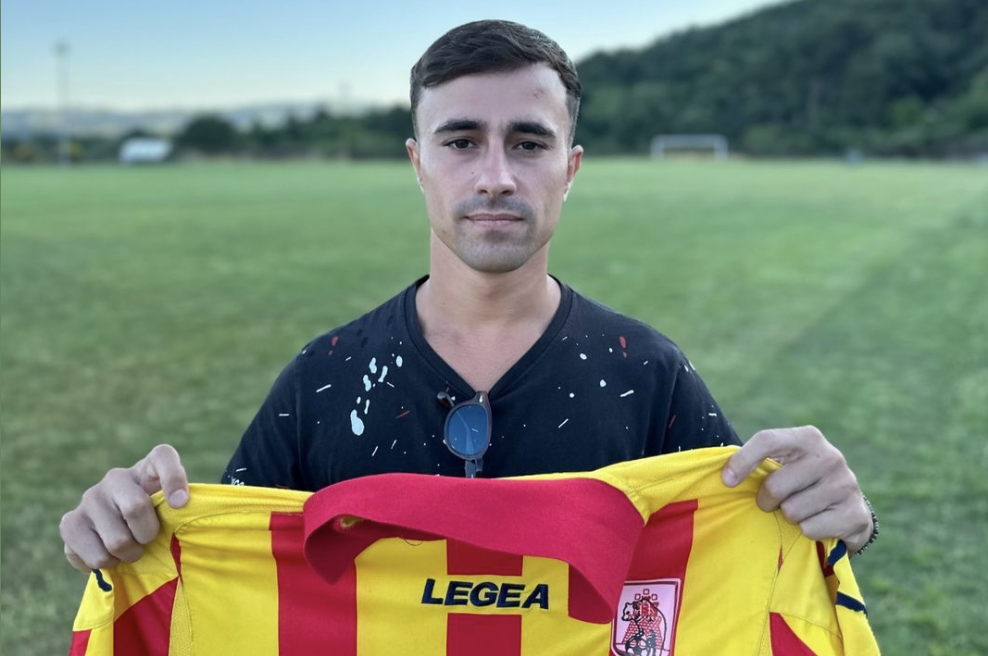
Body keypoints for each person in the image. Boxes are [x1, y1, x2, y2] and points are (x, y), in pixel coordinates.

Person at [60, 20, 876, 572]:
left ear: (570, 168)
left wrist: (844, 517)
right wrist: (132, 530)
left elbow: (756, 554)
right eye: (461, 141)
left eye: (528, 143)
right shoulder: (324, 377)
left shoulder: (646, 372)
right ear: (418, 163)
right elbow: (225, 569)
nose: (495, 176)